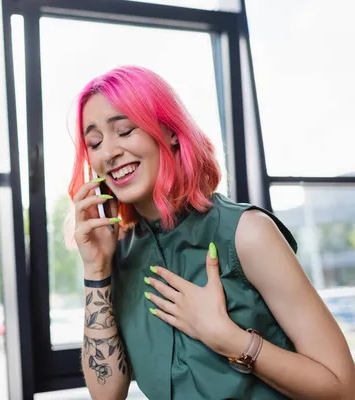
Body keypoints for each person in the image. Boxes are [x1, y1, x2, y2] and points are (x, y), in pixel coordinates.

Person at [69, 65, 355, 399]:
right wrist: (97, 270)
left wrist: (228, 338)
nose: (108, 152)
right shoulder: (120, 256)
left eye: (125, 130)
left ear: (170, 131)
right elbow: (107, 394)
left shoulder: (247, 233)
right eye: (95, 142)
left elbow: (343, 388)